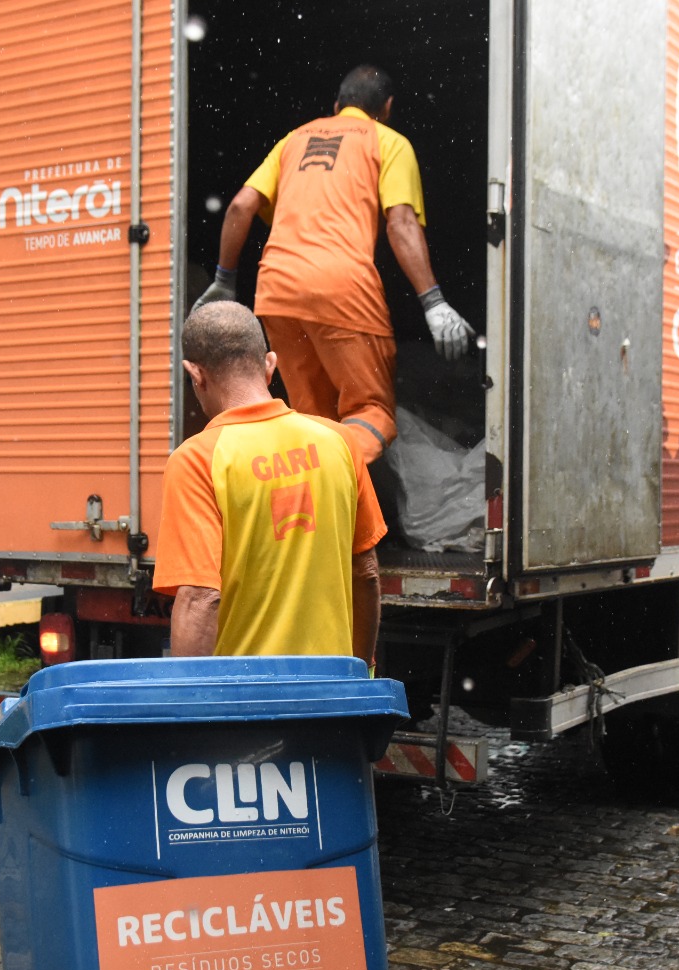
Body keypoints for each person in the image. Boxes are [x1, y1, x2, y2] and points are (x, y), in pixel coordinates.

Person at [192, 64, 473, 465]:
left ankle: (309, 513)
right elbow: (402, 224)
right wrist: (434, 302)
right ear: (387, 107)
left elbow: (240, 205)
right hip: (342, 287)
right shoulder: (388, 141)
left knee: (312, 421)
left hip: (276, 291)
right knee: (372, 414)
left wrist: (224, 280)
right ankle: (330, 477)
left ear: (336, 105)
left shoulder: (294, 140)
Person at [154, 302, 385, 666]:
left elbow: (200, 598)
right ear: (270, 364)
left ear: (195, 374)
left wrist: (193, 709)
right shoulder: (339, 441)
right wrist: (361, 670)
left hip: (247, 705)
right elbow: (366, 573)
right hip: (333, 700)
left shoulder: (197, 460)